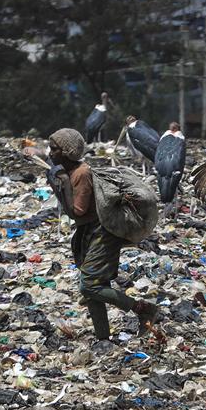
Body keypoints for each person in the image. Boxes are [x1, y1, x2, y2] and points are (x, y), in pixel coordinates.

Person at [46, 128, 159, 340]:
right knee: (96, 286)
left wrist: (60, 184)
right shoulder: (71, 172)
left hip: (102, 232)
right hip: (89, 231)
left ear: (68, 152)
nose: (50, 154)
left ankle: (143, 309)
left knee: (88, 285)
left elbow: (76, 211)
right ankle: (103, 338)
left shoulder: (81, 174)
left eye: (55, 149)